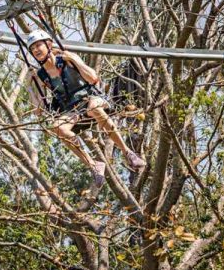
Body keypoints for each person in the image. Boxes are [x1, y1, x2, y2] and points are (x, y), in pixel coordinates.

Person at [25, 30, 146, 178]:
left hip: (92, 98)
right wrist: (30, 87)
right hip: (72, 109)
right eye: (32, 48)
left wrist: (74, 59)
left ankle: (127, 152)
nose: (36, 50)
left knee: (94, 107)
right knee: (57, 128)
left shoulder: (67, 59)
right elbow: (38, 111)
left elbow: (93, 78)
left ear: (49, 44)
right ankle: (93, 165)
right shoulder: (40, 75)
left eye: (38, 45)